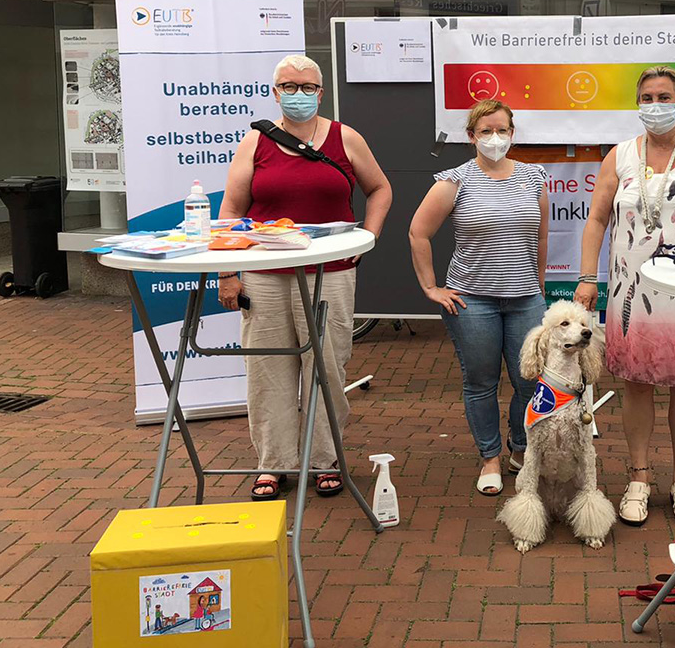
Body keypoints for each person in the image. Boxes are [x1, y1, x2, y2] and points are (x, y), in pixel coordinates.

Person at [218, 54, 393, 501]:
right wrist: (227, 273)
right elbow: (232, 210)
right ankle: (273, 462)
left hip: (329, 273)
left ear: (321, 90)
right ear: (275, 92)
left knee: (327, 367)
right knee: (268, 369)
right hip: (264, 274)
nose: (299, 94)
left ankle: (324, 459)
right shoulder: (254, 142)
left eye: (308, 86)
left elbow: (380, 188)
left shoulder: (344, 138)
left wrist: (367, 239)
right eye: (289, 86)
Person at [575, 66, 675, 526]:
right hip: (632, 292)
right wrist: (588, 277)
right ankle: (639, 477)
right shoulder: (620, 156)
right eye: (646, 97)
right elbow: (596, 221)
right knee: (636, 383)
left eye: (664, 96)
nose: (655, 104)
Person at [409, 100, 548, 497]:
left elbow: (540, 236)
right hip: (472, 301)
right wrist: (431, 288)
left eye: (502, 130)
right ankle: (490, 458)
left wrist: (537, 285)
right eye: (485, 131)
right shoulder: (454, 181)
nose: (494, 138)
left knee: (530, 382)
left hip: (525, 299)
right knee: (482, 382)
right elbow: (418, 233)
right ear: (471, 136)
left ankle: (520, 449)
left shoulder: (533, 177)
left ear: (512, 133)